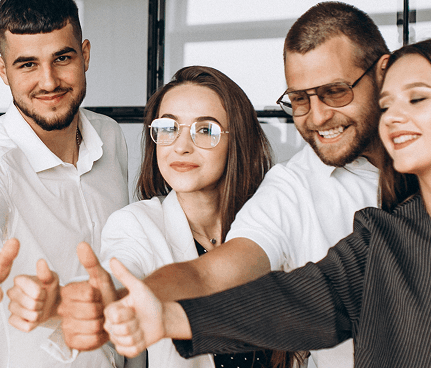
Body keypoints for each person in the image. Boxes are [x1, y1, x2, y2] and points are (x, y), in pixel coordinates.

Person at [103, 38, 431, 368]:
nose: (393, 117)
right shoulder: (384, 238)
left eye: (417, 99)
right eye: (387, 105)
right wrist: (167, 316)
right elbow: (293, 301)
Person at [57, 1, 390, 368]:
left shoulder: (425, 166)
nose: (319, 115)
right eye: (299, 99)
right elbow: (207, 275)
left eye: (336, 91)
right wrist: (122, 300)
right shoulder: (289, 191)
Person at [0, 0, 130, 367]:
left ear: (85, 55)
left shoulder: (110, 135)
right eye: (27, 64)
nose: (49, 81)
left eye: (62, 58)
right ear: (2, 70)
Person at [84, 66, 297, 368]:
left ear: (238, 140)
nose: (181, 147)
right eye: (168, 128)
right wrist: (102, 301)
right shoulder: (136, 225)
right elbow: (123, 277)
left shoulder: (273, 220)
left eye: (205, 130)